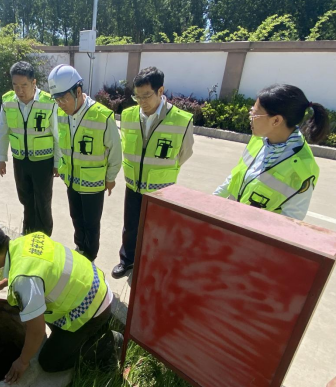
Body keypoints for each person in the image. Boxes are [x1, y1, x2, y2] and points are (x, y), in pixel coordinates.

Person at [0, 224, 123, 383]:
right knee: (25, 306)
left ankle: (107, 344)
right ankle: (92, 331)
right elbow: (35, 265)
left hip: (92, 309)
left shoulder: (24, 281)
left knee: (50, 362)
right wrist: (4, 283)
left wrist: (22, 362)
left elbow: (36, 329)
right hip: (95, 286)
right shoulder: (26, 240)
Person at [112, 67, 194, 279]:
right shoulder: (129, 115)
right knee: (130, 227)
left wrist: (160, 174)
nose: (141, 101)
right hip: (133, 184)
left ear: (160, 91)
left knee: (157, 232)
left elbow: (184, 153)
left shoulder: (181, 120)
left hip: (161, 190)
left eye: (146, 95)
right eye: (137, 96)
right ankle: (127, 260)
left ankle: (151, 265)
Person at [214, 84, 330, 220]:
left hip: (253, 236)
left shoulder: (303, 168)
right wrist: (211, 201)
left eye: (255, 112)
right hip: (230, 222)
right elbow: (234, 178)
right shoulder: (259, 139)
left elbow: (291, 221)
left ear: (276, 120)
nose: (250, 115)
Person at [47, 64, 122, 262]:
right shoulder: (61, 113)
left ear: (78, 91)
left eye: (64, 98)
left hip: (93, 183)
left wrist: (111, 177)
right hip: (71, 180)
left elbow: (115, 151)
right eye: (57, 99)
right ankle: (80, 249)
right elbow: (58, 141)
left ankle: (90, 257)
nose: (60, 103)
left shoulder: (102, 116)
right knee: (76, 219)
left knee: (91, 224)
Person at [0, 61, 60, 236]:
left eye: (24, 85)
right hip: (20, 161)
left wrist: (57, 162)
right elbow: (3, 130)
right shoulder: (8, 101)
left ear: (34, 83)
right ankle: (29, 233)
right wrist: (2, 158)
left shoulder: (49, 102)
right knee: (26, 199)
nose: (20, 90)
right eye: (15, 85)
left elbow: (57, 135)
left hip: (43, 162)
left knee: (43, 201)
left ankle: (44, 236)